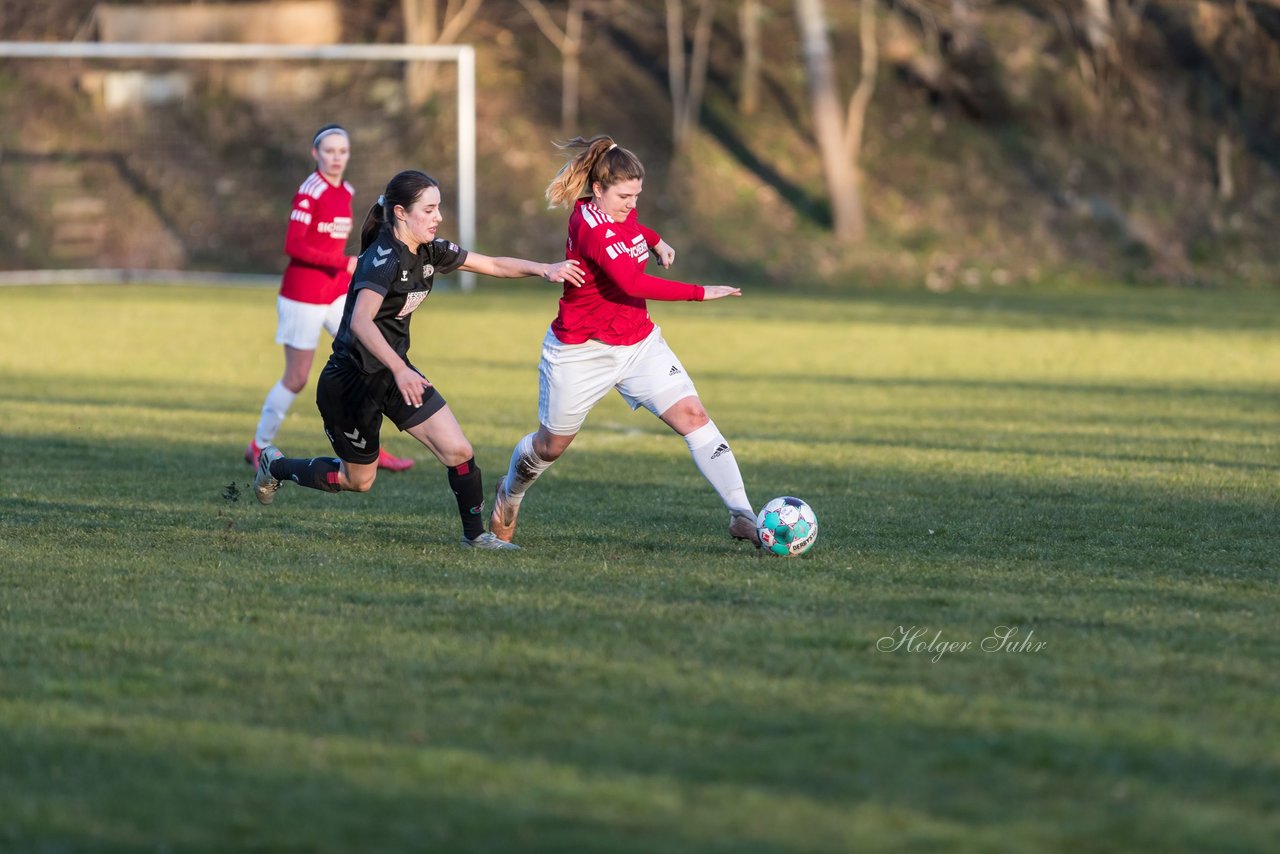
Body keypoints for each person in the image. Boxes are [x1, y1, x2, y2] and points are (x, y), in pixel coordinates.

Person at [252, 169, 585, 550]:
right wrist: (399, 369)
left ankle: (476, 537)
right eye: (429, 209)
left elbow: (491, 264)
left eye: (438, 208)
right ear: (400, 213)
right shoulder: (383, 259)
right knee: (358, 481)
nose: (437, 217)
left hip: (395, 375)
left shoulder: (429, 250)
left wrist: (544, 269)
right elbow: (360, 321)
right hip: (351, 383)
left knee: (459, 451)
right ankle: (275, 466)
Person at [488, 135, 760, 548]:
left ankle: (743, 514)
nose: (631, 204)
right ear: (598, 189)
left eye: (637, 195)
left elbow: (634, 228)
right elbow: (631, 281)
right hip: (581, 351)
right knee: (550, 446)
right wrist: (700, 292)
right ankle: (510, 492)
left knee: (694, 416)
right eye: (624, 196)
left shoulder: (617, 212)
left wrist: (654, 239)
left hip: (638, 343)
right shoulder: (590, 226)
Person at [244, 123, 414, 472]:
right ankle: (258, 445)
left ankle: (368, 449)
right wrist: (343, 262)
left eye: (342, 151)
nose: (336, 157)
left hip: (335, 294)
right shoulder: (309, 191)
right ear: (315, 154)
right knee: (297, 377)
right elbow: (294, 245)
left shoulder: (346, 191)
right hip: (302, 296)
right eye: (329, 151)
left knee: (371, 359)